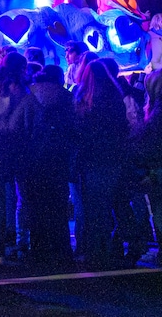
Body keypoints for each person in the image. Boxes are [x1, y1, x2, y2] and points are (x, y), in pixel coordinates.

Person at [72, 61, 129, 269]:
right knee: (106, 206)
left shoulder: (83, 99)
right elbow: (123, 129)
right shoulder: (115, 97)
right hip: (112, 158)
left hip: (89, 159)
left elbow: (77, 132)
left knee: (89, 209)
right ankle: (107, 249)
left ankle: (92, 251)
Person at [0, 52, 35, 264]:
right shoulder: (22, 90)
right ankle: (20, 241)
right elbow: (26, 122)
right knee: (21, 196)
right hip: (18, 147)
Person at [25, 65, 74, 268]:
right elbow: (72, 127)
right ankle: (62, 250)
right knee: (58, 205)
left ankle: (38, 249)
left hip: (34, 157)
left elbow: (25, 127)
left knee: (35, 206)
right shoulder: (66, 97)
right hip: (59, 158)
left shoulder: (30, 95)